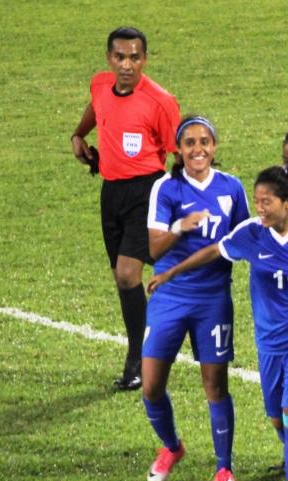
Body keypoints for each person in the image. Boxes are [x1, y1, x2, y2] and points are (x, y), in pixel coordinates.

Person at [151, 159, 288, 481]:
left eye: (267, 202)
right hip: (269, 343)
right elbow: (215, 250)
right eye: (257, 200)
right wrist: (171, 272)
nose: (259, 208)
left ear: (287, 202)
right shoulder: (250, 233)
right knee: (278, 417)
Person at [141, 115, 249, 481]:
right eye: (190, 142)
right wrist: (179, 227)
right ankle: (172, 447)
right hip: (169, 295)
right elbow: (153, 249)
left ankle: (224, 467)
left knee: (214, 384)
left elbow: (244, 237)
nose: (198, 149)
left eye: (204, 141)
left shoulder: (232, 188)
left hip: (212, 298)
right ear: (179, 149)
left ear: (214, 147)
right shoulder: (166, 189)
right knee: (151, 385)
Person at [70, 27, 180, 390]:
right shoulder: (101, 85)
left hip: (146, 191)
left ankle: (139, 361)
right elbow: (95, 108)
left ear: (144, 60)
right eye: (120, 57)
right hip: (111, 192)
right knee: (125, 277)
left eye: (134, 57)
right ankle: (182, 268)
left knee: (126, 275)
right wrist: (78, 135)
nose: (127, 64)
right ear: (109, 59)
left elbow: (179, 151)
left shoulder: (160, 101)